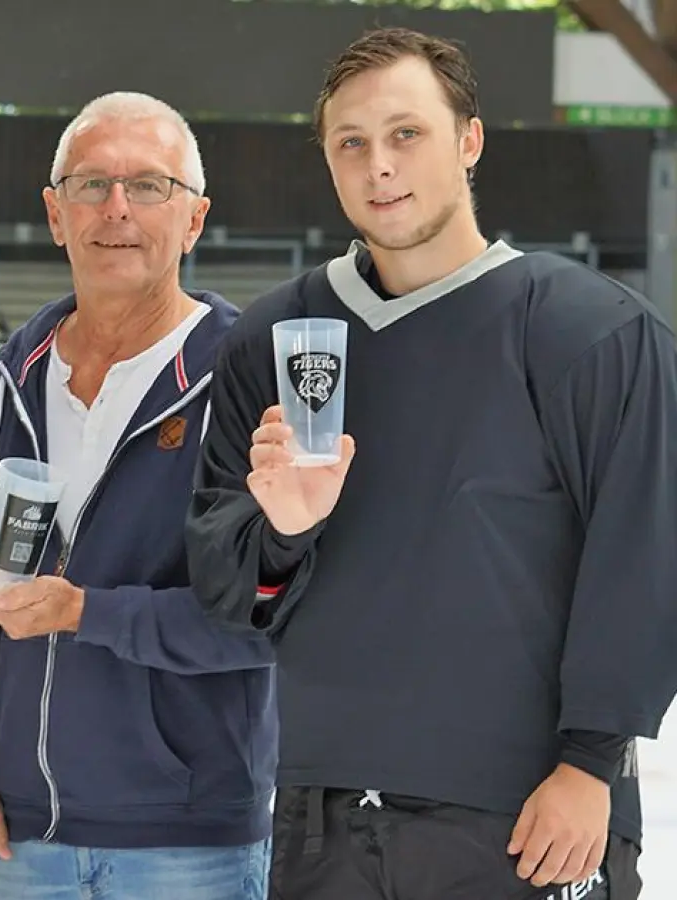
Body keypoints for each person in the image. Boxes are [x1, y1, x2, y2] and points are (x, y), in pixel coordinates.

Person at [185, 26, 677, 900]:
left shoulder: (589, 331)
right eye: (352, 143)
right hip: (322, 813)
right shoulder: (274, 341)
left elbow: (645, 559)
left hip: (525, 812)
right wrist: (286, 533)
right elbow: (230, 597)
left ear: (469, 140)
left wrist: (591, 767)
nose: (379, 165)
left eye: (405, 133)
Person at [0, 91, 276, 900]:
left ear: (194, 220)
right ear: (56, 213)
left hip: (190, 846)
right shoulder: (7, 379)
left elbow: (269, 618)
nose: (116, 208)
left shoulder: (247, 382)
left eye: (149, 186)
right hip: (26, 841)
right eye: (91, 184)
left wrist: (84, 612)